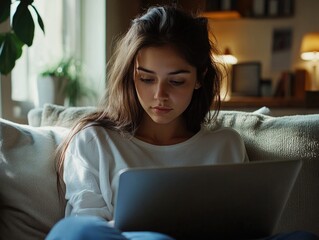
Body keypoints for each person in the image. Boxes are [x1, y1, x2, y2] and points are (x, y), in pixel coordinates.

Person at [46, 5, 319, 240]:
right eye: (147, 78)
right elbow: (84, 227)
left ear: (199, 78)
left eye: (176, 81)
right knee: (74, 231)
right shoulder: (94, 140)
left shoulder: (225, 144)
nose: (159, 95)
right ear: (131, 76)